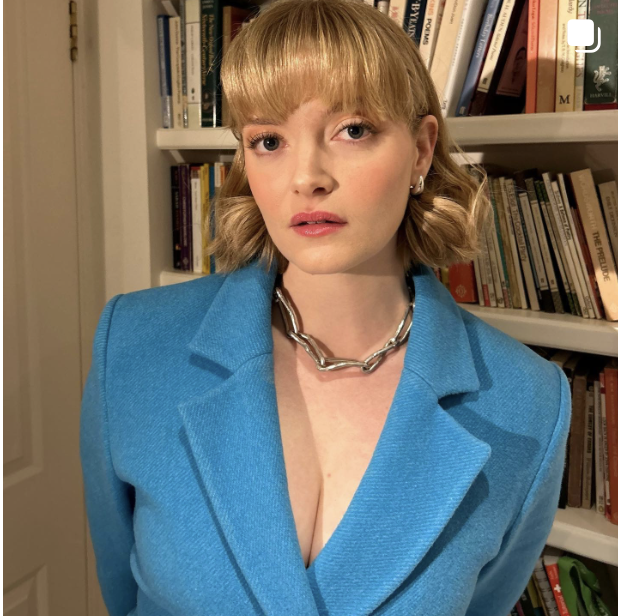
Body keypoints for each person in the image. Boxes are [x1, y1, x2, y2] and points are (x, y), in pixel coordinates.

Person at [79, 0, 572, 614]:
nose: (306, 176)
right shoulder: (132, 346)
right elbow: (123, 590)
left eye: (353, 130)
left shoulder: (530, 403)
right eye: (268, 140)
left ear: (422, 150)